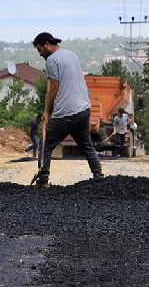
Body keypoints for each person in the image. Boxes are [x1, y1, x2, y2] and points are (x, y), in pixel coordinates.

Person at [31, 32, 103, 186]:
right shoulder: (71, 55)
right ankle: (99, 177)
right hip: (83, 110)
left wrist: (47, 112)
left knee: (47, 145)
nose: (39, 53)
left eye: (39, 49)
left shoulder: (52, 60)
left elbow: (54, 88)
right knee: (87, 145)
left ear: (47, 44)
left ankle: (43, 180)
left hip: (66, 113)